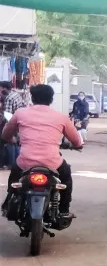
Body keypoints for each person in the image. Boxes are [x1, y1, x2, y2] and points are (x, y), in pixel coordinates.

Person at [2, 84, 84, 220]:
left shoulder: (20, 113)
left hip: (25, 162)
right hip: (52, 163)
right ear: (51, 99)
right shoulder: (61, 117)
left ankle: (8, 204)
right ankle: (64, 211)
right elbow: (77, 141)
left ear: (32, 98)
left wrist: (12, 139)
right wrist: (77, 145)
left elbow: (6, 134)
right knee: (66, 177)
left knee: (15, 176)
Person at [0, 81, 12, 169]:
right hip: (5, 124)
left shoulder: (7, 98)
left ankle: (3, 163)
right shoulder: (10, 96)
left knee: (3, 144)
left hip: (4, 124)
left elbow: (7, 115)